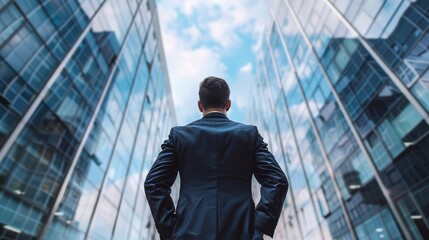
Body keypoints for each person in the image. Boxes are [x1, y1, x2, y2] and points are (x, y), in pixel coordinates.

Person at [144, 76, 288, 240]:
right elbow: (277, 181)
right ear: (228, 104)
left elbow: (153, 183)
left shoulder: (179, 136)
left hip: (188, 232)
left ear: (200, 105)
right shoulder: (249, 135)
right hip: (242, 233)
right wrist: (260, 225)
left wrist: (170, 228)